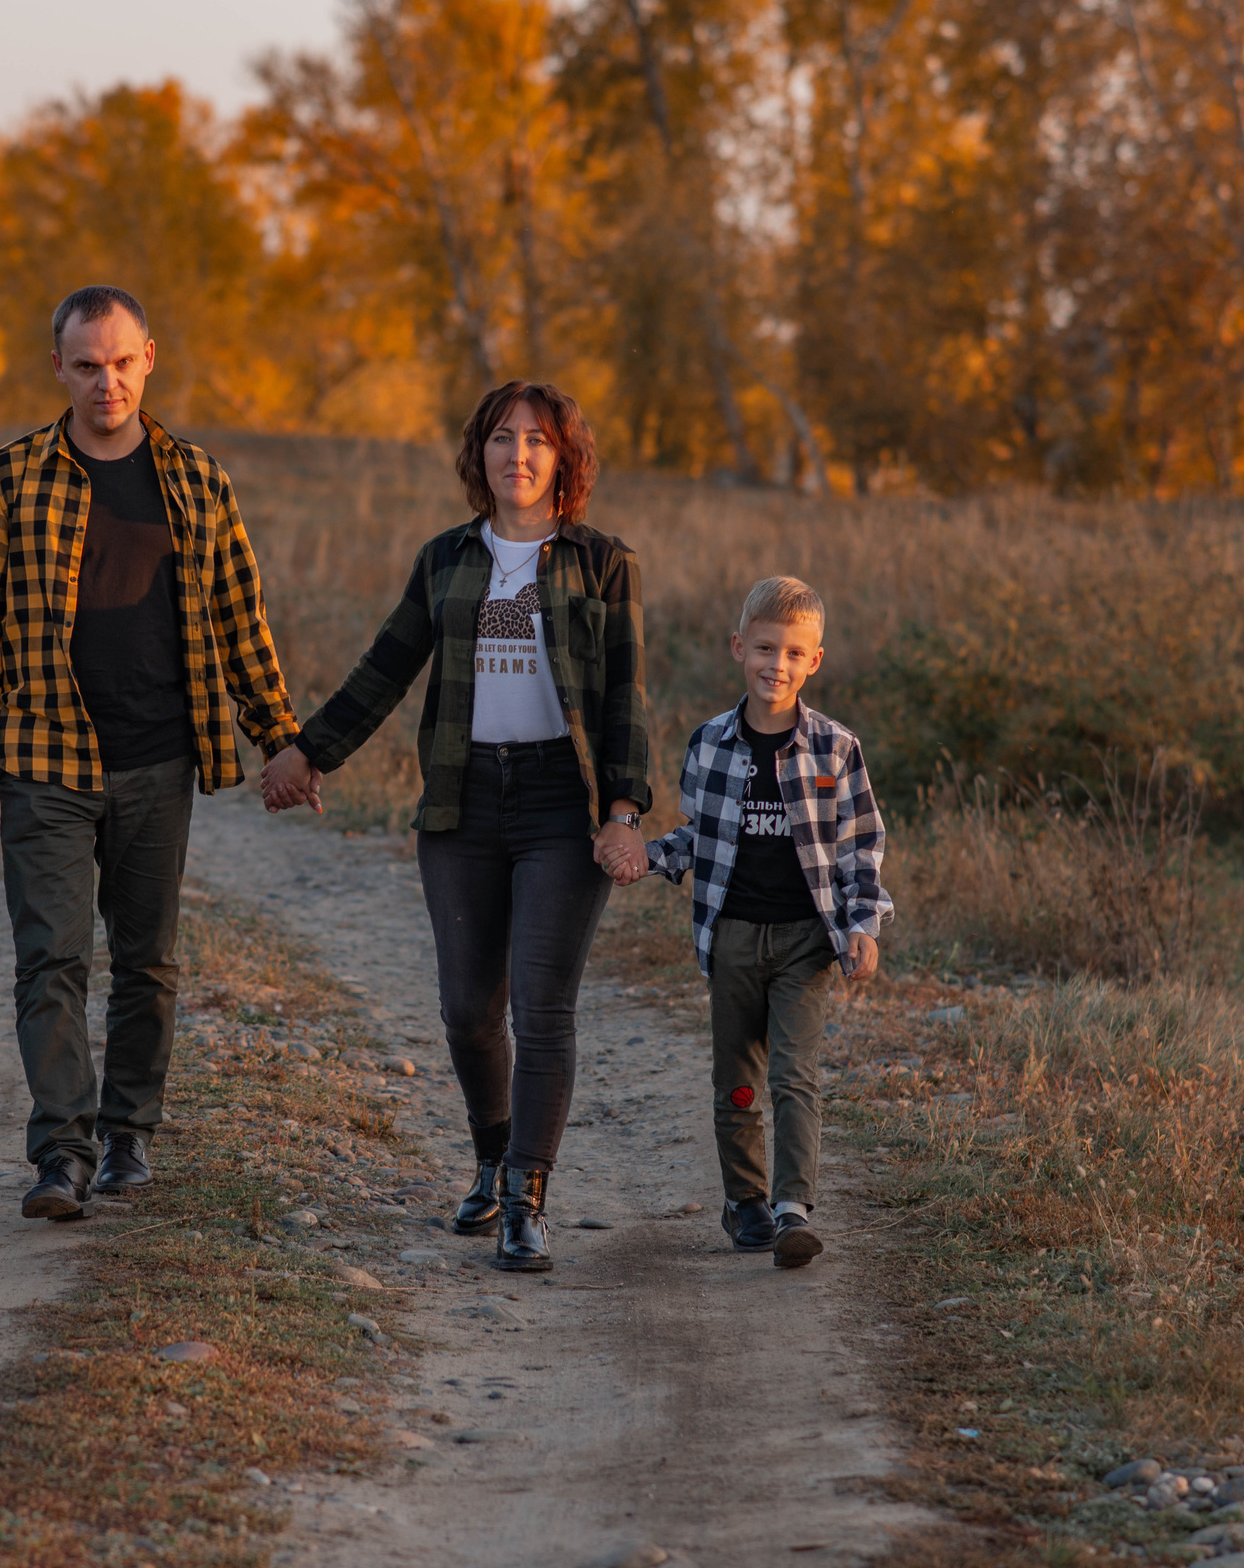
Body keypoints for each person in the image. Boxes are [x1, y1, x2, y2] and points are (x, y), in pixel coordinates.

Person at [260, 380, 650, 1273]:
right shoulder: (447, 560)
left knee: (542, 1005)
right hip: (463, 799)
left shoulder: (602, 563)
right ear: (479, 454)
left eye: (538, 441)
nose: (519, 454)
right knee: (470, 1010)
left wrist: (623, 810)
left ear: (564, 459)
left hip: (562, 799)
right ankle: (491, 1154)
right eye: (503, 438)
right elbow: (386, 666)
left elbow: (627, 693)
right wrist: (307, 752)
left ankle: (526, 1198)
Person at [0, 286, 305, 1223]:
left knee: (148, 960)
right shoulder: (12, 477)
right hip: (45, 761)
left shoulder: (197, 480)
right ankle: (62, 1149)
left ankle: (128, 1137)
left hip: (158, 761)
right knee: (50, 958)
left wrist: (281, 736)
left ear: (150, 358)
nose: (107, 382)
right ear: (57, 369)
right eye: (87, 365)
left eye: (121, 361)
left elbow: (240, 618)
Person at [640, 577, 891, 1268]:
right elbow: (694, 837)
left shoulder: (836, 749)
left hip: (806, 942)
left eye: (791, 652)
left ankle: (792, 1209)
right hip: (732, 938)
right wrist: (646, 857)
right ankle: (745, 1201)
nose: (775, 664)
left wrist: (862, 923)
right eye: (762, 648)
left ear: (814, 660)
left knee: (793, 1073)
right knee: (738, 1080)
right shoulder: (711, 743)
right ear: (737, 649)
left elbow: (859, 845)